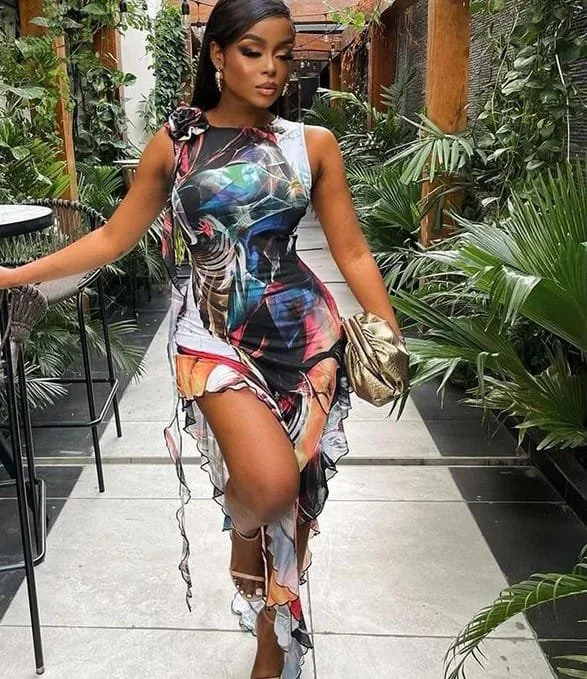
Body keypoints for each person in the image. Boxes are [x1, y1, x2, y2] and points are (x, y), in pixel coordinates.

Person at [0, 0, 403, 676]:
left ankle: (272, 643)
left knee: (298, 502)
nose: (271, 68)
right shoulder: (177, 142)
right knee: (268, 489)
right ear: (218, 55)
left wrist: (387, 332)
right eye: (252, 51)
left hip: (305, 338)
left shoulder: (310, 145)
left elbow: (353, 251)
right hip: (213, 336)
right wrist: (17, 273)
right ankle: (244, 526)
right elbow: (112, 236)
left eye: (282, 53)